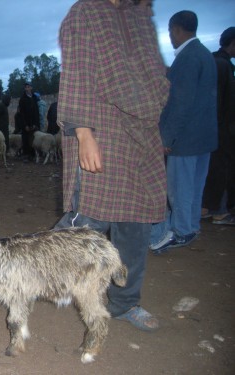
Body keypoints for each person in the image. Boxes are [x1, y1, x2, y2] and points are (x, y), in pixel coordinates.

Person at [55, 0, 170, 331]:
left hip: (142, 134)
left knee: (136, 225)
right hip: (102, 128)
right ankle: (28, 275)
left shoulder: (138, 16)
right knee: (86, 220)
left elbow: (157, 72)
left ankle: (125, 303)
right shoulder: (86, 12)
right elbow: (76, 73)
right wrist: (84, 133)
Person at [150, 10, 218, 254]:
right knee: (195, 186)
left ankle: (180, 231)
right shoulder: (205, 55)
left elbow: (180, 103)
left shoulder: (187, 58)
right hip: (204, 138)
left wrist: (167, 138)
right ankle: (191, 227)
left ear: (176, 29)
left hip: (185, 140)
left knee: (180, 189)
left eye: (170, 32)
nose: (170, 37)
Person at [201, 27, 235, 225]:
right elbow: (220, 103)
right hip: (220, 131)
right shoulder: (222, 65)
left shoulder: (215, 62)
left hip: (214, 129)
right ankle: (219, 211)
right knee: (220, 170)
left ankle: (211, 208)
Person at [18, 82, 39, 161]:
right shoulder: (22, 99)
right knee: (26, 139)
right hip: (26, 123)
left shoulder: (34, 98)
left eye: (28, 87)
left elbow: (36, 112)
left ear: (31, 88)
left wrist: (36, 123)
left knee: (34, 139)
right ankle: (26, 155)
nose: (27, 88)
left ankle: (33, 155)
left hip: (34, 123)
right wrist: (25, 125)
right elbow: (21, 113)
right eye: (26, 87)